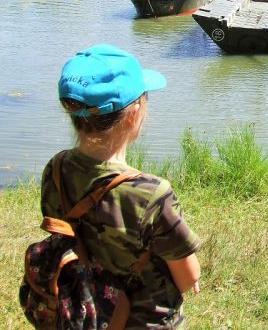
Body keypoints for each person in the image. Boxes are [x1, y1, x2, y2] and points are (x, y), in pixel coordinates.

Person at [42, 44, 201, 327]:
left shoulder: (55, 169)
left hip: (78, 313)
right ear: (132, 115)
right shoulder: (151, 193)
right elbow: (188, 278)